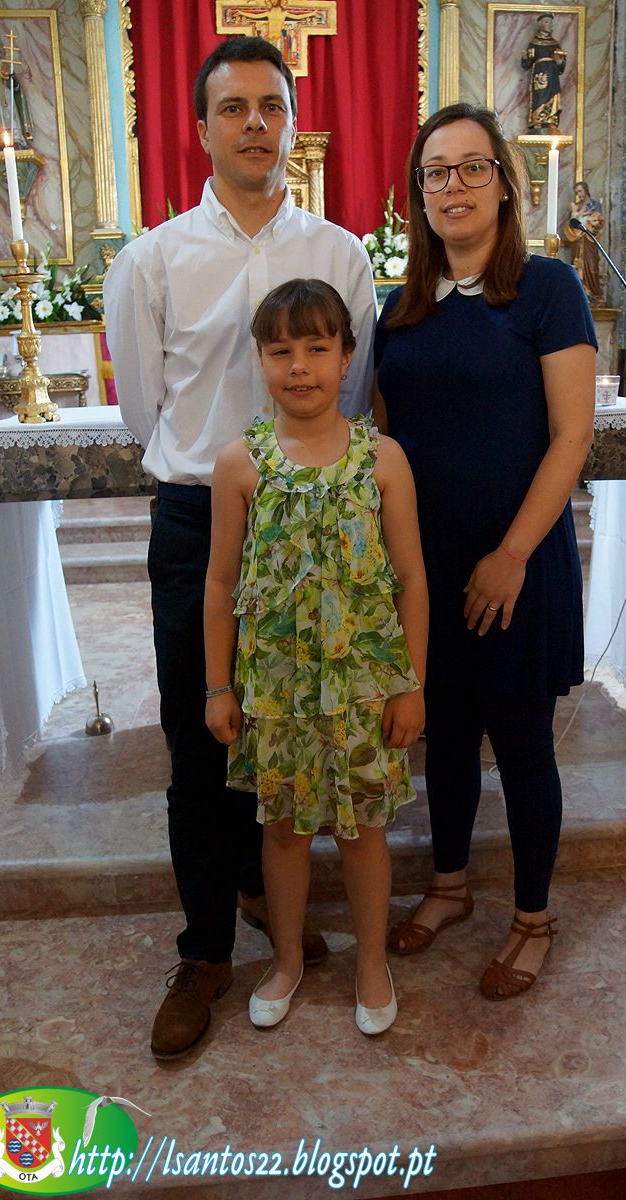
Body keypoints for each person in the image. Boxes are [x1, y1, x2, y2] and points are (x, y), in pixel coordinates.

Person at [104, 37, 376, 1059]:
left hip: (315, 522)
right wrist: (217, 474)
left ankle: (268, 890)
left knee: (302, 722)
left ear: (293, 124)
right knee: (203, 732)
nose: (255, 123)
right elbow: (144, 407)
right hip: (198, 523)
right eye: (234, 108)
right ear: (201, 127)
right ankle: (206, 952)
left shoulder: (341, 255)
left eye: (272, 106)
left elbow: (351, 396)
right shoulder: (153, 259)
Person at [373, 103, 596, 999]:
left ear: (505, 183)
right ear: (419, 194)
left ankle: (534, 918)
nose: (454, 185)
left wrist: (511, 554)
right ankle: (451, 884)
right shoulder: (401, 308)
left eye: (473, 167)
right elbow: (386, 443)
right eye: (437, 171)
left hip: (518, 558)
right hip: (428, 566)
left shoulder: (546, 290)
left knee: (522, 741)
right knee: (448, 734)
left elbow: (571, 436)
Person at [205, 278, 427, 1034]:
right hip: (277, 689)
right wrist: (218, 687)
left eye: (316, 348)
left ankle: (372, 962)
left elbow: (411, 577)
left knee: (363, 830)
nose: (298, 366)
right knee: (284, 831)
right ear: (261, 360)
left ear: (346, 358)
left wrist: (411, 685)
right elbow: (221, 582)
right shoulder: (241, 464)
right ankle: (287, 960)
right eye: (280, 351)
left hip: (364, 686)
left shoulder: (383, 459)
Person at [520, 13, 566, 132]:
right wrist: (525, 57)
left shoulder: (555, 44)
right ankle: (538, 121)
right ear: (540, 25)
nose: (549, 25)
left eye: (550, 22)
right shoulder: (534, 43)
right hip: (540, 74)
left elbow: (561, 65)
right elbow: (527, 64)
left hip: (552, 75)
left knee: (553, 96)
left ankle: (551, 120)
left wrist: (560, 62)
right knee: (539, 97)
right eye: (546, 22)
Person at [562, 180, 604, 303]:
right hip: (577, 242)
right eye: (577, 192)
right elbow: (571, 224)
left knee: (591, 267)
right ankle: (579, 295)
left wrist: (589, 223)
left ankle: (593, 294)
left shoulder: (595, 205)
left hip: (589, 242)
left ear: (586, 190)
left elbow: (599, 222)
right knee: (577, 266)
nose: (579, 194)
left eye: (580, 191)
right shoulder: (576, 207)